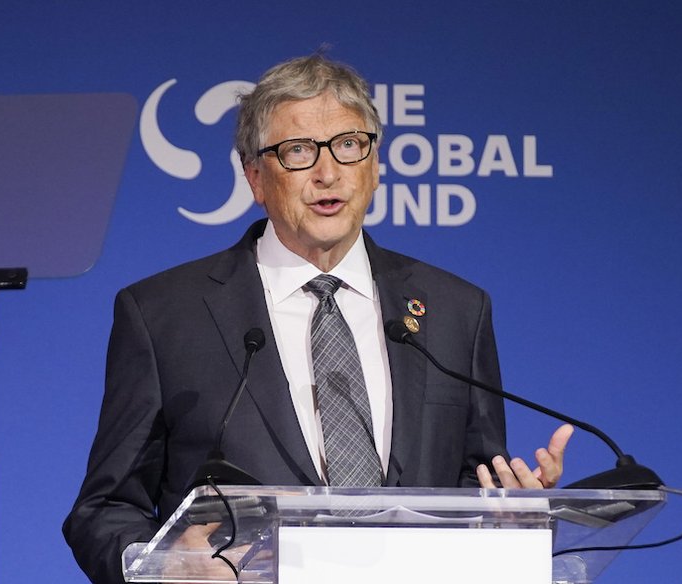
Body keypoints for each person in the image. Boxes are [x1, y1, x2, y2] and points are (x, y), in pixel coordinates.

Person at [63, 54, 572, 584]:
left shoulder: (455, 310)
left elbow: (474, 488)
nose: (328, 174)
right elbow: (102, 510)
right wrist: (166, 567)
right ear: (255, 177)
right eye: (298, 152)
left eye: (349, 146)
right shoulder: (164, 314)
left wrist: (511, 518)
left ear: (374, 167)